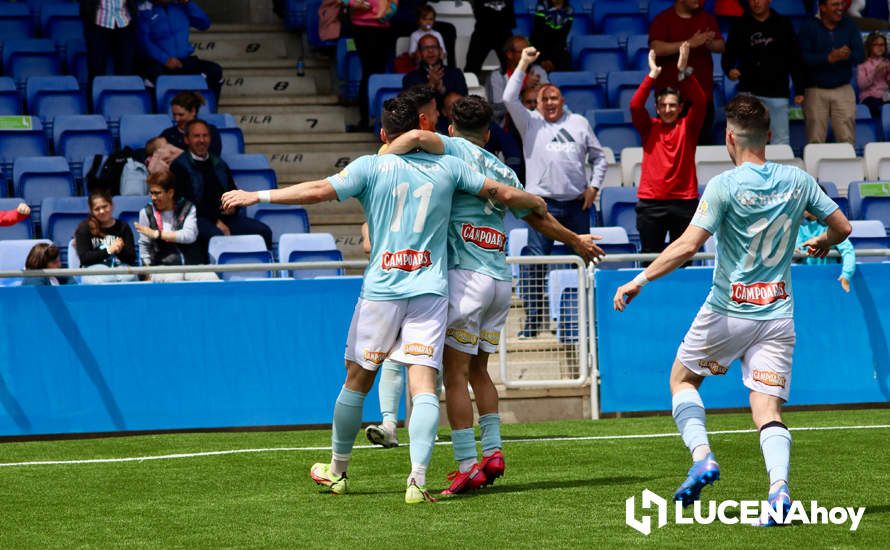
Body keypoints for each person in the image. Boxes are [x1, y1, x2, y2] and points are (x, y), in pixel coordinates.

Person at [220, 96, 547, 504]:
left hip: (383, 290)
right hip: (429, 290)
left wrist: (258, 196)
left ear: (382, 134)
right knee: (424, 383)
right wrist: (534, 201)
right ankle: (417, 480)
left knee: (357, 378)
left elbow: (319, 191)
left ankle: (337, 471)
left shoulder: (370, 166)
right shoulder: (450, 167)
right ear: (424, 127)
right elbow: (500, 190)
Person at [613, 95, 852, 525]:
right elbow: (844, 227)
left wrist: (638, 279)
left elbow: (688, 246)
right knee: (767, 411)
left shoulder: (723, 185)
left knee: (682, 379)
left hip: (728, 309)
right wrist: (825, 243)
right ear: (771, 136)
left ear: (729, 137)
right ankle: (779, 493)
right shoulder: (796, 180)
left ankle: (703, 457)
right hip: (778, 314)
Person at [370, 96, 603, 496]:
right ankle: (493, 452)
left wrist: (382, 156)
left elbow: (411, 139)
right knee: (481, 371)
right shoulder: (503, 169)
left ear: (451, 129)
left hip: (465, 280)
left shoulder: (451, 149)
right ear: (490, 133)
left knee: (454, 375)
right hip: (499, 280)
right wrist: (575, 241)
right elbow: (539, 219)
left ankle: (465, 464)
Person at [504, 46, 607, 338]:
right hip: (542, 207)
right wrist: (523, 63)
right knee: (537, 265)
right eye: (543, 99)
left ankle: (591, 316)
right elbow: (508, 98)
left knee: (588, 258)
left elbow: (599, 157)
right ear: (535, 104)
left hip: (577, 206)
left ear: (563, 101)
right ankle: (534, 322)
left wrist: (595, 186)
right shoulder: (529, 123)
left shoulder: (579, 123)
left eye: (554, 98)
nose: (549, 103)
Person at [632, 45, 705, 255]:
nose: (667, 109)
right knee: (650, 259)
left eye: (672, 105)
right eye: (663, 105)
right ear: (656, 107)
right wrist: (653, 75)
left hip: (684, 202)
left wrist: (684, 71)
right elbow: (636, 106)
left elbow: (700, 101)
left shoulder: (688, 127)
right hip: (651, 204)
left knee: (682, 259)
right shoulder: (649, 128)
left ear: (680, 108)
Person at [170, 119, 273, 255]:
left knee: (263, 231)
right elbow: (186, 203)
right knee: (216, 237)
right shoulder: (179, 166)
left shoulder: (219, 164)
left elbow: (232, 190)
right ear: (187, 140)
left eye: (205, 136)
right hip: (196, 218)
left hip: (226, 217)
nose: (202, 140)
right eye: (196, 136)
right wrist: (215, 220)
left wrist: (234, 207)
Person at [722, 0, 805, 146]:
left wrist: (799, 89)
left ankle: (778, 169)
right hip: (749, 91)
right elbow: (728, 55)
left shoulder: (783, 23)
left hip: (778, 91)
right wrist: (729, 70)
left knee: (780, 140)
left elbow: (795, 58)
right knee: (747, 140)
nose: (756, 2)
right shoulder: (740, 24)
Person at [649, 0, 724, 145]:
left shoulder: (706, 18)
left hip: (701, 98)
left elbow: (721, 45)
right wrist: (688, 43)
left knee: (702, 148)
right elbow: (656, 48)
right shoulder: (663, 19)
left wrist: (709, 43)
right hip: (671, 101)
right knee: (670, 147)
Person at [798, 0, 864, 145]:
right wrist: (828, 58)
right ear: (822, 7)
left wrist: (846, 55)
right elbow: (802, 59)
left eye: (841, 4)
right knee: (815, 140)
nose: (840, 8)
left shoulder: (849, 26)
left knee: (847, 140)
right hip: (815, 90)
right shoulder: (809, 27)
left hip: (843, 89)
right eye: (835, 5)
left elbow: (860, 55)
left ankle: (847, 168)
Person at [134, 171, 219, 282]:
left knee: (211, 278)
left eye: (157, 193)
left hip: (192, 265)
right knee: (173, 278)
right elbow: (145, 244)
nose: (153, 197)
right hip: (164, 267)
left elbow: (189, 236)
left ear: (170, 193)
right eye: (151, 193)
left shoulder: (188, 208)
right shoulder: (146, 213)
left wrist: (157, 234)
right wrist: (147, 271)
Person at [137, 0, 224, 101]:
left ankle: (210, 111)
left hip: (184, 61)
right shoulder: (144, 9)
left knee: (214, 71)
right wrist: (165, 60)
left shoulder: (181, 6)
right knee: (152, 77)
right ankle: (158, 115)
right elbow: (143, 41)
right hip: (159, 63)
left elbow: (204, 24)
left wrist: (188, 3)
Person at [436, 91, 524, 180]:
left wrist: (513, 170)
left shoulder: (442, 176)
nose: (461, 110)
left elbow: (511, 148)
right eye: (453, 107)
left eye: (461, 105)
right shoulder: (508, 182)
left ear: (451, 131)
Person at [345, 0, 398, 130]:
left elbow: (393, 3)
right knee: (368, 73)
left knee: (379, 74)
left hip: (382, 28)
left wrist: (386, 13)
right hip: (362, 27)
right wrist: (353, 3)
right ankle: (365, 120)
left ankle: (380, 121)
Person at [74, 190, 140, 284]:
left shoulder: (123, 227)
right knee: (106, 279)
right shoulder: (84, 228)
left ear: (111, 205)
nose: (102, 211)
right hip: (94, 268)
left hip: (120, 267)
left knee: (129, 278)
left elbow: (131, 258)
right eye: (97, 209)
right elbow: (84, 258)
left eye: (105, 206)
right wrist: (109, 250)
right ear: (91, 211)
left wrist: (119, 250)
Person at [486, 35, 549, 125]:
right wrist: (524, 88)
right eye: (523, 52)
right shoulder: (497, 76)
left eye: (529, 51)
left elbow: (548, 100)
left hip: (538, 124)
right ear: (509, 54)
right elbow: (496, 110)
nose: (528, 55)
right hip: (507, 127)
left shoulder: (537, 71)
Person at [796, 209, 856, 292]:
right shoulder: (800, 227)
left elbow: (848, 251)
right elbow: (797, 248)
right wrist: (796, 251)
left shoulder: (834, 227)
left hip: (830, 280)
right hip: (808, 280)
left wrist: (846, 275)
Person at [402, 34, 468, 109]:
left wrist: (442, 90)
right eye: (425, 48)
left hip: (450, 119)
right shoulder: (411, 77)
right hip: (423, 119)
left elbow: (463, 101)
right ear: (419, 53)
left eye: (434, 47)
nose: (430, 51)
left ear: (441, 51)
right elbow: (409, 105)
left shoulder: (455, 73)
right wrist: (430, 86)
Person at [79, 0, 138, 83]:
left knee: (125, 69)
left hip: (124, 23)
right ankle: (94, 95)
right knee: (96, 69)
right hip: (99, 24)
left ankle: (123, 95)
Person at [160, 91, 222, 157]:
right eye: (174, 114)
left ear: (193, 111)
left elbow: (212, 157)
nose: (176, 119)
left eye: (181, 115)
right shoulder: (168, 134)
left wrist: (180, 155)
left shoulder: (210, 131)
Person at [465, 0, 515, 75]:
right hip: (482, 31)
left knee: (512, 64)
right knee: (471, 67)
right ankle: (467, 85)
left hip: (504, 31)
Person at [530, 0, 573, 72]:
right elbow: (538, 35)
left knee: (565, 59)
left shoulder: (569, 10)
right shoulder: (541, 6)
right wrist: (543, 59)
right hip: (540, 48)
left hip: (557, 50)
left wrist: (552, 60)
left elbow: (562, 37)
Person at [857, 31, 890, 121]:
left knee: (886, 105)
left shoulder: (887, 62)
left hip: (884, 96)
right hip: (869, 97)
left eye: (882, 45)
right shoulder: (862, 64)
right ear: (869, 47)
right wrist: (875, 71)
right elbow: (861, 85)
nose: (880, 47)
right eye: (876, 44)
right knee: (875, 105)